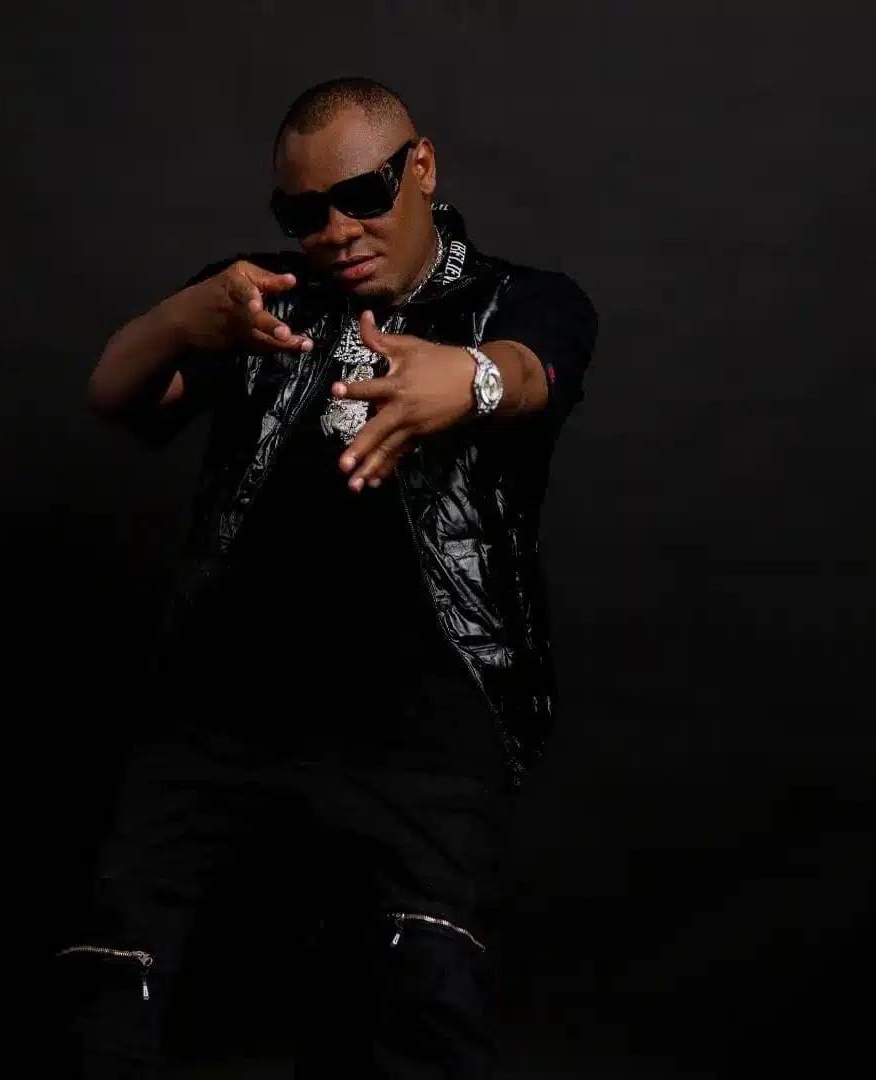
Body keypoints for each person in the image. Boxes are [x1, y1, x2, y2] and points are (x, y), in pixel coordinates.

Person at [57, 77, 597, 1078]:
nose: (336, 231)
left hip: (426, 728)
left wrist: (466, 378)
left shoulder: (522, 299)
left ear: (421, 167)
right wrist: (183, 316)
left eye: (362, 196)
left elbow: (531, 370)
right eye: (303, 213)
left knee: (414, 1005)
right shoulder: (257, 298)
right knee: (113, 975)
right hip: (224, 710)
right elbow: (114, 393)